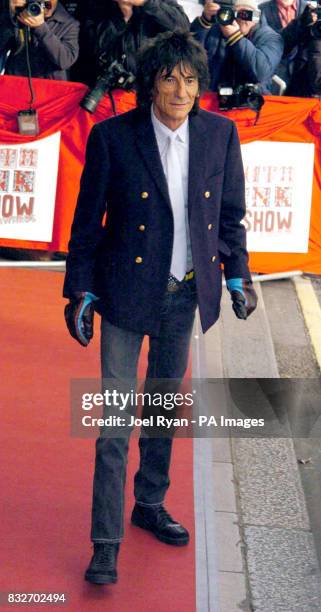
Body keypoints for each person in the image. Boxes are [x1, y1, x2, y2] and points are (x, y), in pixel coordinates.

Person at [63, 29, 257, 585]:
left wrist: (236, 272)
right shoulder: (113, 138)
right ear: (151, 82)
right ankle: (105, 541)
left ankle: (149, 503)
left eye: (191, 79)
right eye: (170, 77)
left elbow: (229, 218)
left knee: (163, 411)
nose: (181, 89)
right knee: (115, 425)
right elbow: (85, 228)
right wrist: (81, 289)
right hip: (125, 296)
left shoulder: (220, 135)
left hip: (184, 296)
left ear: (201, 85)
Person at [72, 0, 190, 85]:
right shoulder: (92, 4)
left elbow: (183, 27)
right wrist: (122, 17)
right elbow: (89, 47)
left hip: (146, 88)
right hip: (103, 91)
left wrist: (148, 3)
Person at [191, 0, 284, 94]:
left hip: (252, 98)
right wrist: (204, 21)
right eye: (236, 14)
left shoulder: (271, 38)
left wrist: (235, 38)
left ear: (256, 17)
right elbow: (191, 52)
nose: (241, 20)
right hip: (216, 93)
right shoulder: (218, 29)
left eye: (247, 15)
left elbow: (260, 72)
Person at [0, 0, 79, 79]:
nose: (43, 5)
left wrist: (40, 27)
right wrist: (10, 14)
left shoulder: (69, 24)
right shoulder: (22, 14)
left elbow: (65, 61)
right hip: (17, 82)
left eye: (46, 3)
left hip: (49, 85)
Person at [260, 0, 308, 90]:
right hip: (275, 78)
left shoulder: (309, 9)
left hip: (304, 77)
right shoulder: (262, 10)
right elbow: (267, 43)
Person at [281, 4, 321, 96]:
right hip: (298, 93)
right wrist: (300, 23)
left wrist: (317, 42)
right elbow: (278, 48)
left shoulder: (316, 43)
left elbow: (317, 83)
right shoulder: (313, 24)